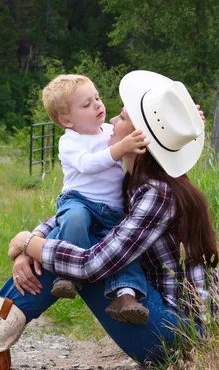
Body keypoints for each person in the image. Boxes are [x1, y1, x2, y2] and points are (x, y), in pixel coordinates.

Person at [0, 70, 219, 370]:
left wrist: (29, 245)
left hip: (178, 338)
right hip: (164, 324)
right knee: (70, 244)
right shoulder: (136, 183)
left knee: (76, 257)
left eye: (121, 116)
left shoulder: (157, 195)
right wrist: (36, 239)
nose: (111, 120)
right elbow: (83, 210)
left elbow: (92, 264)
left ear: (138, 139)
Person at [41, 74, 150, 324]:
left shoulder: (112, 131)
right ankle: (68, 275)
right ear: (67, 119)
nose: (98, 105)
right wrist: (120, 148)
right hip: (80, 200)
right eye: (87, 104)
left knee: (124, 247)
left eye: (97, 98)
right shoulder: (70, 141)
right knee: (74, 220)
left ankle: (126, 294)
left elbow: (145, 131)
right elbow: (88, 164)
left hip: (112, 209)